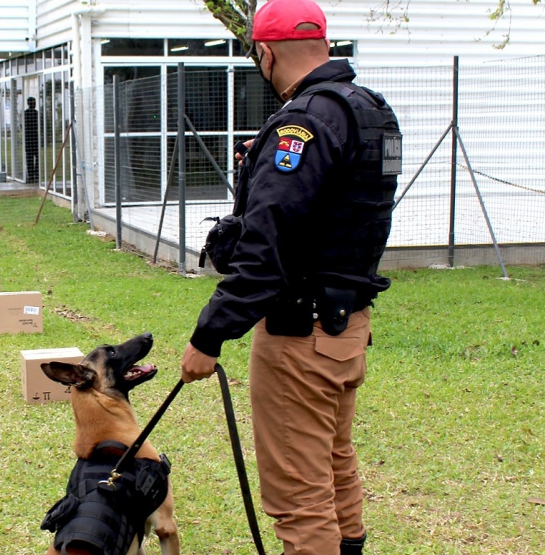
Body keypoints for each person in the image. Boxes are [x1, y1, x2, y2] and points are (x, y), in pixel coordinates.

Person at [180, 0, 402, 554]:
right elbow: (337, 209)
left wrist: (209, 335)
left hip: (300, 334)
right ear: (323, 44)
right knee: (334, 466)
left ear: (266, 52)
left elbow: (267, 248)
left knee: (299, 496)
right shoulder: (368, 110)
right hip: (347, 327)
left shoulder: (302, 124)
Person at [23, 96, 40, 183]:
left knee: (32, 157)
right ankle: (34, 174)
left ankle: (33, 174)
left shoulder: (27, 113)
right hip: (32, 138)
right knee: (32, 157)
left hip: (31, 138)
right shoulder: (35, 114)